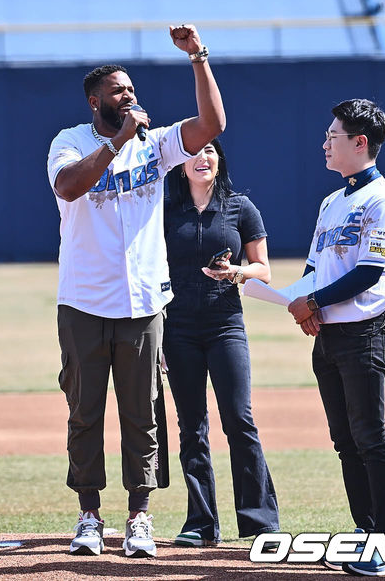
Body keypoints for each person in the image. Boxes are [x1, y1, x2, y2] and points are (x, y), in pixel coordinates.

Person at [46, 24, 225, 558]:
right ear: (94, 100)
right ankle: (89, 515)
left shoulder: (157, 142)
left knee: (142, 412)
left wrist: (198, 57)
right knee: (84, 411)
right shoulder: (71, 141)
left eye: (131, 89)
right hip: (82, 301)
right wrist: (118, 139)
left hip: (143, 303)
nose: (129, 96)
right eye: (118, 91)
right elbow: (68, 186)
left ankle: (138, 517)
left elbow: (213, 124)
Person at [286, 99, 385, 576]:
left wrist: (314, 302)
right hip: (329, 336)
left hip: (365, 333)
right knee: (344, 441)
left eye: (333, 136)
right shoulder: (331, 201)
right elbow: (316, 266)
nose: (324, 143)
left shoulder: (383, 201)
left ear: (361, 143)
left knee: (370, 438)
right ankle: (365, 530)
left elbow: (372, 272)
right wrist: (299, 302)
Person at [162, 138, 279, 547]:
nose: (202, 157)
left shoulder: (240, 206)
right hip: (176, 328)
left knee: (239, 420)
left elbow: (264, 270)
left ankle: (259, 520)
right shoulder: (163, 210)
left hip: (225, 323)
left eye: (210, 150)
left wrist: (237, 272)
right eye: (193, 152)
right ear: (179, 165)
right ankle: (201, 522)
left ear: (219, 159)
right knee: (191, 427)